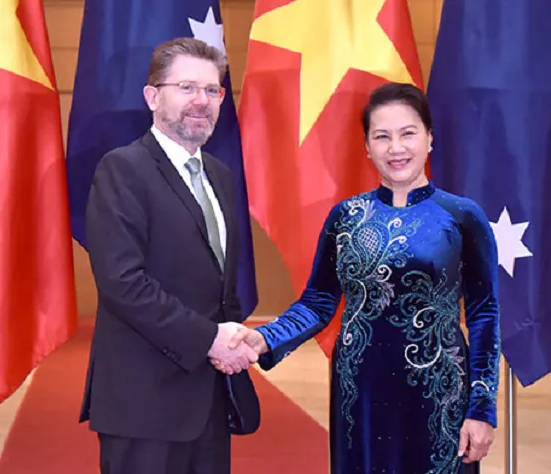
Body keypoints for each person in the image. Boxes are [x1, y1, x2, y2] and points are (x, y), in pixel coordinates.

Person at [214, 82, 501, 473]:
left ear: (430, 138)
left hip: (440, 394)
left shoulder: (462, 216)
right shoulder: (346, 217)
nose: (395, 148)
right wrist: (265, 338)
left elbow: (484, 314)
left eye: (408, 133)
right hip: (359, 394)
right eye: (382, 136)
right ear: (367, 147)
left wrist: (482, 410)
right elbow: (318, 302)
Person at [80, 37, 260, 474]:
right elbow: (124, 283)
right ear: (152, 97)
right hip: (144, 405)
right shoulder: (123, 169)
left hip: (210, 400)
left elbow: (219, 283)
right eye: (186, 87)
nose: (201, 101)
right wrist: (210, 339)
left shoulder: (219, 175)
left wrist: (231, 342)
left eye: (212, 90)